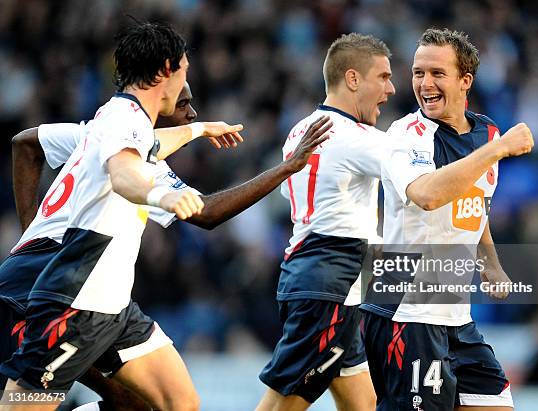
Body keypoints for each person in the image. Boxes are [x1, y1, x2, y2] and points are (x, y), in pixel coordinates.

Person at [1, 77, 331, 410]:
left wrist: (29, 232)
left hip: (94, 294)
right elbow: (208, 214)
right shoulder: (140, 163)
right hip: (49, 291)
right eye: (183, 104)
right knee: (31, 402)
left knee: (152, 404)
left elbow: (27, 143)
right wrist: (288, 168)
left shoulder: (99, 134)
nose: (191, 112)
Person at [0, 21, 226, 411]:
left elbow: (26, 143)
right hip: (73, 297)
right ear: (166, 70)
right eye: (185, 70)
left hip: (108, 303)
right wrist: (162, 196)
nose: (188, 87)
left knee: (177, 404)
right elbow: (126, 177)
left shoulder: (117, 121)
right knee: (24, 405)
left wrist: (200, 129)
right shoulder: (125, 122)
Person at [360, 28, 534, 411]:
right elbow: (428, 194)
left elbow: (474, 203)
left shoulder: (486, 132)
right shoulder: (407, 134)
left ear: (464, 81)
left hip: (454, 315)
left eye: (437, 73)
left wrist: (491, 265)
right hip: (404, 310)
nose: (425, 83)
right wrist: (498, 150)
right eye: (419, 73)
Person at [257, 33, 395, 411]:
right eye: (382, 77)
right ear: (353, 79)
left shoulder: (299, 131)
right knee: (281, 404)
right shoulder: (358, 138)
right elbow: (423, 177)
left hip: (311, 277)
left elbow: (291, 194)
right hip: (329, 286)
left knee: (364, 404)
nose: (391, 89)